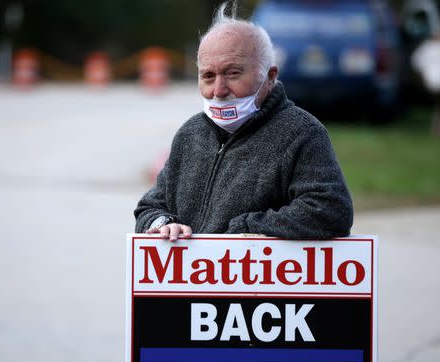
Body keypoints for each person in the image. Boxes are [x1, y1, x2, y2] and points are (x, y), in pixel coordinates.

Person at [134, 2, 353, 241]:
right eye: (208, 76)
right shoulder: (191, 133)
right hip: (192, 277)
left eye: (233, 73)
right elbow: (149, 207)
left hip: (257, 277)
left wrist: (245, 227)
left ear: (270, 77)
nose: (218, 90)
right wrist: (163, 224)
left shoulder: (302, 133)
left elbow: (331, 210)